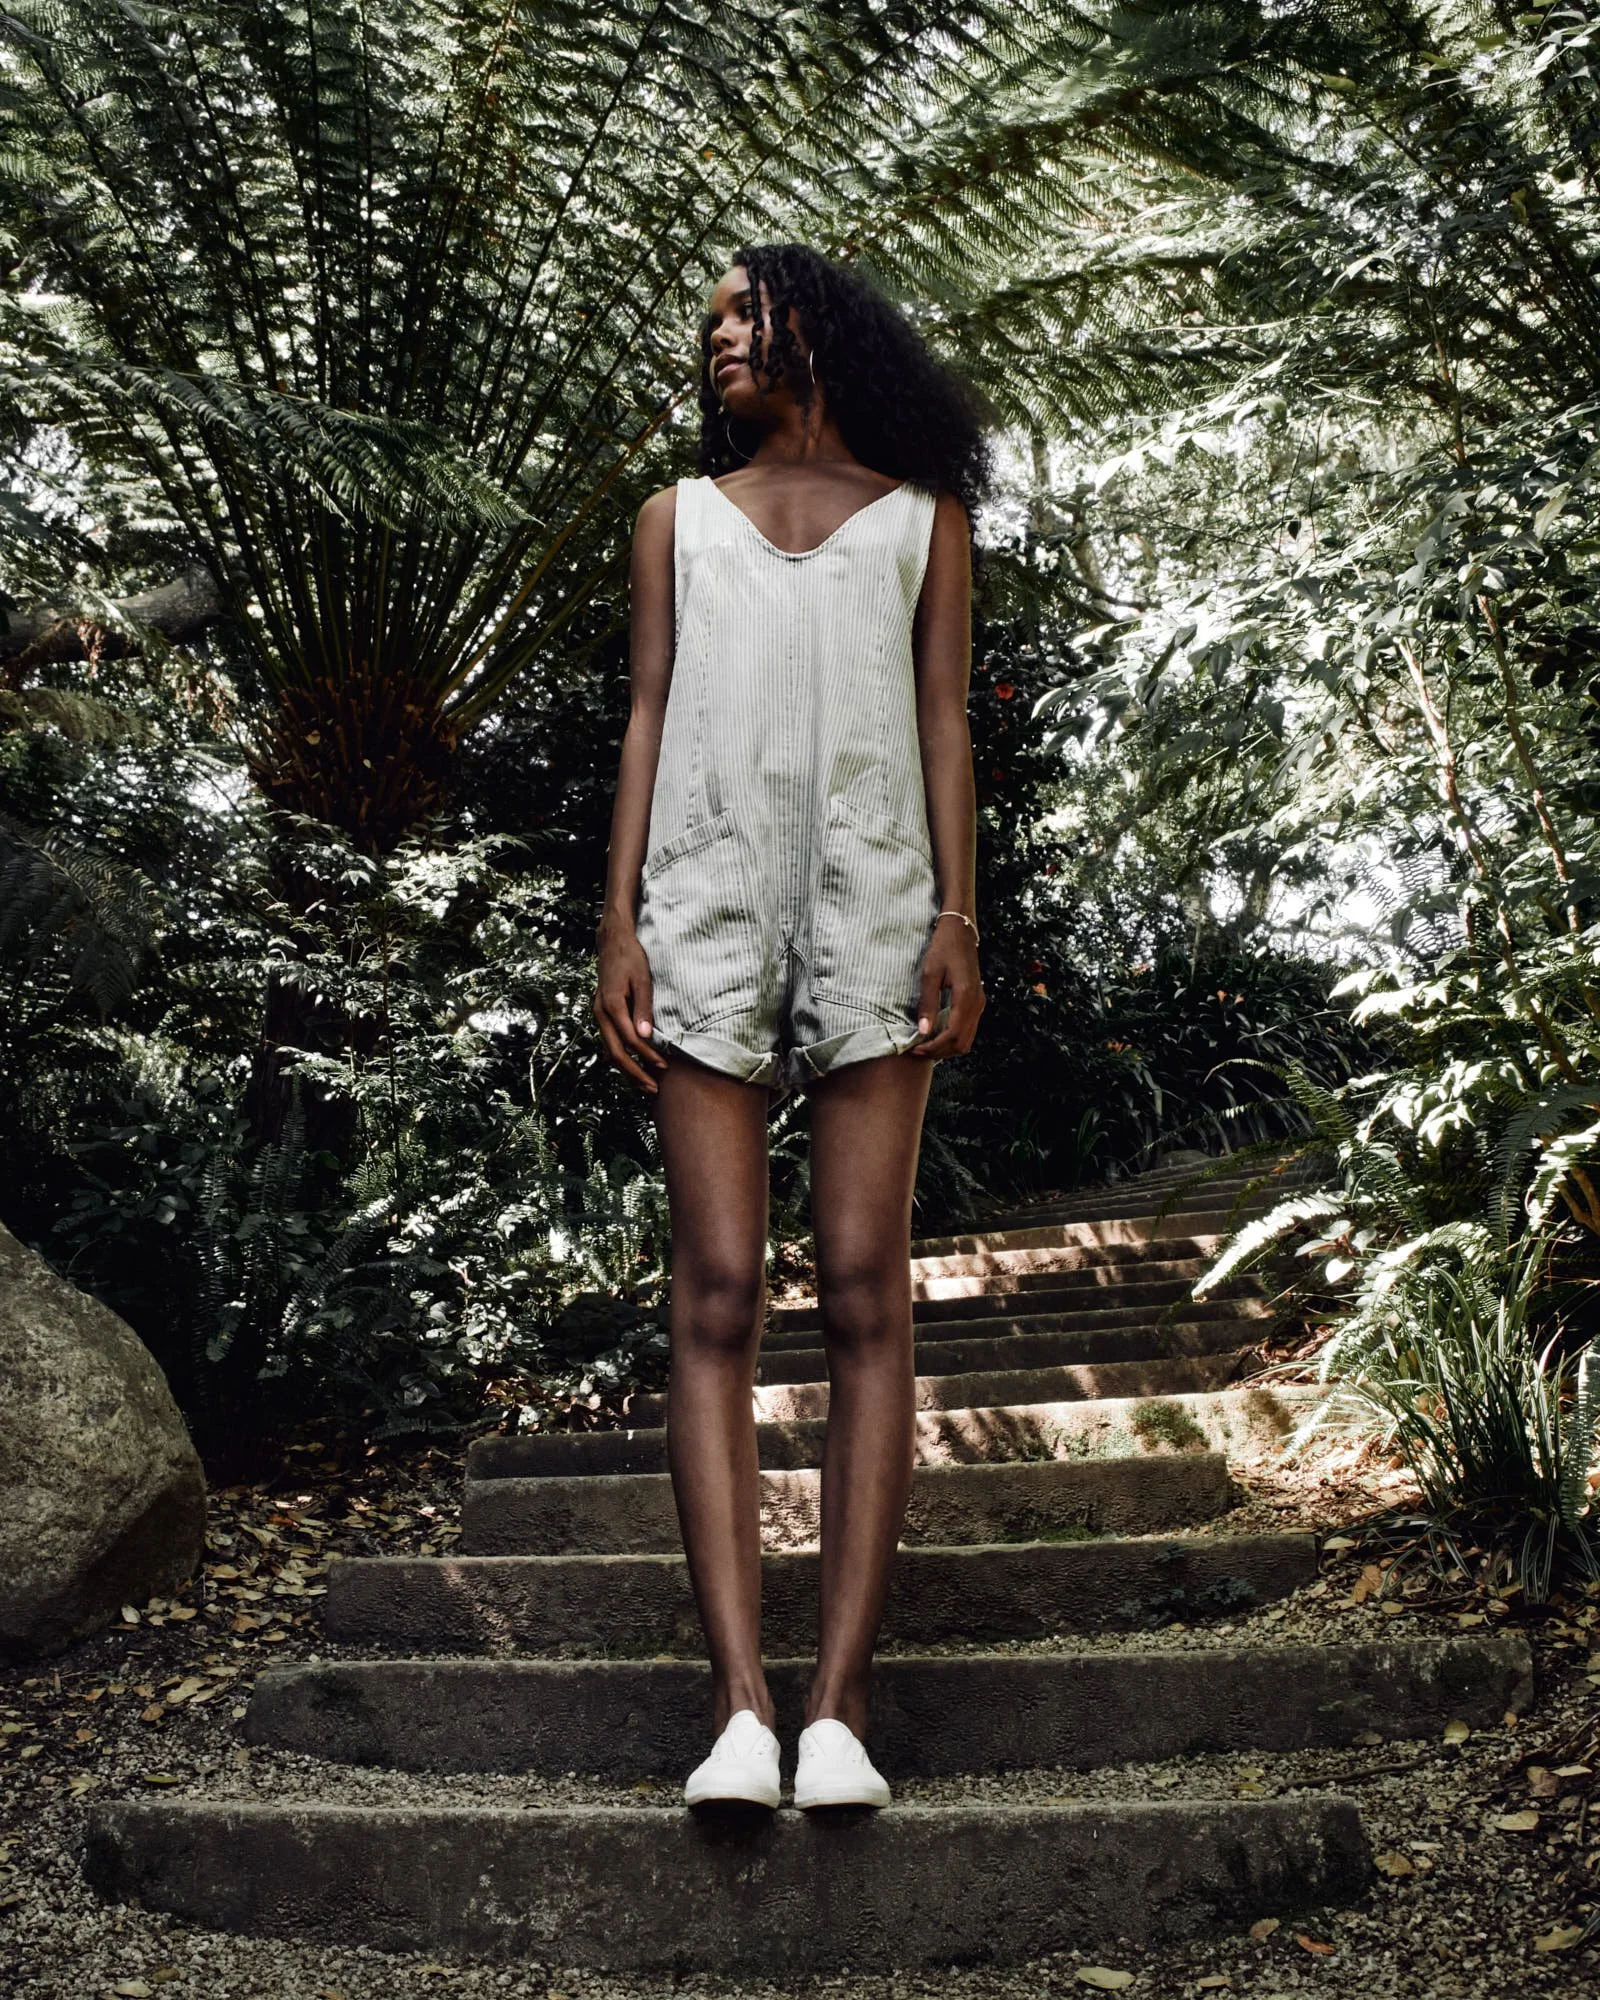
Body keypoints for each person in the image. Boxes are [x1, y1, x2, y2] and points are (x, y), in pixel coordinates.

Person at [593, 242, 989, 1811]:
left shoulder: (923, 522)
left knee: (867, 1291)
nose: (721, 339)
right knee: (716, 1293)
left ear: (821, 328)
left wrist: (958, 916)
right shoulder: (674, 521)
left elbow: (945, 718)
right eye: (710, 321)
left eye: (747, 313)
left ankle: (839, 1710)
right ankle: (740, 1710)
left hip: (880, 908)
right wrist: (619, 922)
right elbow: (646, 709)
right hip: (700, 903)